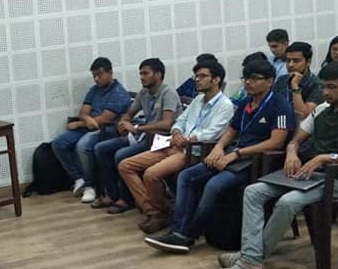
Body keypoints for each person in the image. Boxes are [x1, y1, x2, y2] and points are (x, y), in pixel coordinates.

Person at [218, 62, 338, 269]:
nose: (326, 92)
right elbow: (295, 140)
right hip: (311, 176)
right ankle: (251, 255)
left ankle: (251, 259)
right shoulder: (321, 110)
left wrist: (326, 157)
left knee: (287, 202)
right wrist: (291, 152)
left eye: (332, 87)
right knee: (253, 191)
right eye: (323, 87)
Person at [145, 58, 294, 253]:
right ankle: (178, 230)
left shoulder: (280, 105)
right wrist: (219, 148)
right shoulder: (246, 103)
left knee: (213, 185)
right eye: (246, 78)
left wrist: (237, 153)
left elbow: (276, 142)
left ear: (269, 81)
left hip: (256, 162)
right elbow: (231, 130)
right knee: (187, 176)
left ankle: (188, 234)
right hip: (235, 155)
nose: (248, 82)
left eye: (255, 78)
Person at [117, 60, 234, 234]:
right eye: (196, 76)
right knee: (125, 166)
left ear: (216, 80)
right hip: (172, 144)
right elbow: (179, 121)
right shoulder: (198, 100)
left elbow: (212, 133)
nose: (197, 79)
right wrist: (178, 132)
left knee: (151, 174)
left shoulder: (225, 105)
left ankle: (159, 214)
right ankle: (154, 211)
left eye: (202, 76)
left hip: (192, 151)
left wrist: (185, 139)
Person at [90, 59, 181, 212]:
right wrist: (123, 123)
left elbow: (167, 124)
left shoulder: (168, 93)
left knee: (121, 155)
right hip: (145, 137)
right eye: (140, 74)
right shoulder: (143, 93)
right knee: (101, 148)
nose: (141, 77)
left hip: (162, 140)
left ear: (158, 75)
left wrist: (137, 128)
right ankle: (112, 194)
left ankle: (127, 199)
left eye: (145, 73)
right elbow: (129, 113)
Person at [50, 57, 132, 203]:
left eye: (99, 75)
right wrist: (87, 120)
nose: (96, 79)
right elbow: (83, 112)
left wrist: (79, 124)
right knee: (59, 143)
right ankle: (78, 178)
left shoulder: (118, 92)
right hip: (88, 127)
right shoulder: (94, 90)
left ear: (110, 72)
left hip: (106, 130)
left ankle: (90, 186)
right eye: (94, 75)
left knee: (82, 146)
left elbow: (105, 119)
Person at [272, 41, 324, 121]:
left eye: (296, 61)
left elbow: (303, 115)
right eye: (288, 60)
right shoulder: (282, 80)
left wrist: (295, 87)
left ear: (308, 62)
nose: (290, 65)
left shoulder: (317, 85)